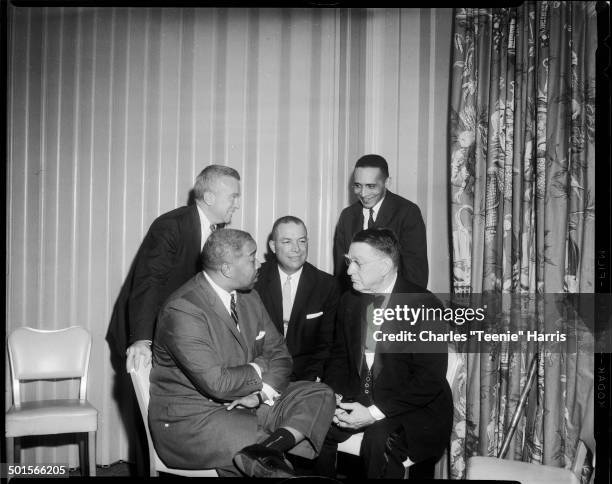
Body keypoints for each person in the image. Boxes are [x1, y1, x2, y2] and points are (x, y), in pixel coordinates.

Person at [148, 229, 336, 477]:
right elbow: (219, 384)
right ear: (227, 269)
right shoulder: (184, 309)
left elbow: (280, 355)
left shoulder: (249, 297)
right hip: (197, 419)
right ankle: (266, 456)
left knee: (319, 393)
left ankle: (269, 449)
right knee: (275, 471)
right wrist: (259, 366)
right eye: (251, 258)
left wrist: (261, 394)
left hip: (249, 401)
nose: (259, 264)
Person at [317, 228, 452, 479]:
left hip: (414, 408)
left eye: (357, 263)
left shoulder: (425, 304)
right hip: (362, 396)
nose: (348, 271)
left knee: (379, 439)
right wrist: (332, 395)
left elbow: (428, 380)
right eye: (349, 261)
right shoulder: (350, 300)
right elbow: (339, 357)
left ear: (384, 266)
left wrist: (372, 413)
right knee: (315, 422)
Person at [106, 164, 241, 372]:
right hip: (146, 331)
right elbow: (149, 281)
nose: (236, 204)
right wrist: (142, 340)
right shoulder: (172, 225)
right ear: (210, 198)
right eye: (232, 197)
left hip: (177, 328)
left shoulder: (217, 231)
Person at [254, 216, 340, 382]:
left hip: (306, 377)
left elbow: (326, 345)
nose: (296, 249)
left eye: (302, 241)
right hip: (261, 374)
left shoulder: (327, 285)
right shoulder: (255, 280)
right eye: (287, 242)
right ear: (273, 246)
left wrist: (307, 382)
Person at [333, 154, 428, 290]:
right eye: (358, 186)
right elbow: (340, 273)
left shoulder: (407, 212)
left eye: (371, 186)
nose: (363, 194)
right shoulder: (347, 216)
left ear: (387, 182)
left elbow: (415, 274)